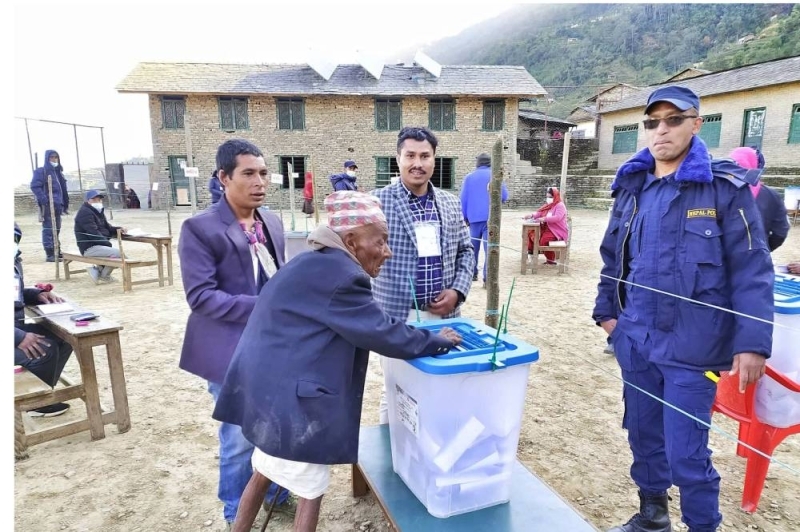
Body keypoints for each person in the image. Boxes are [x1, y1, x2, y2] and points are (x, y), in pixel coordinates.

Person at [212, 191, 462, 532]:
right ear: (352, 241)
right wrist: (436, 341)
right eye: (382, 241)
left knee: (263, 470)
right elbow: (382, 333)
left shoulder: (311, 260)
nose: (387, 252)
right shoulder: (343, 276)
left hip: (268, 392)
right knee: (310, 490)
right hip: (295, 406)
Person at [593, 86, 774, 532]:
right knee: (643, 436)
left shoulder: (724, 190)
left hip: (694, 349)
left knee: (687, 454)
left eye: (674, 119)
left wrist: (753, 342)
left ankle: (701, 526)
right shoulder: (633, 187)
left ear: (697, 123)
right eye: (652, 122)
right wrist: (609, 318)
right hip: (636, 341)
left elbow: (753, 268)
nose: (662, 130)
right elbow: (614, 257)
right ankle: (653, 515)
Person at [178, 139, 291, 527]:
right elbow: (201, 297)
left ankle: (276, 491)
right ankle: (234, 511)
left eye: (263, 173)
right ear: (223, 177)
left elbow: (279, 277)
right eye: (248, 174)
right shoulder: (200, 228)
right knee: (238, 437)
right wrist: (263, 305)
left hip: (275, 345)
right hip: (230, 351)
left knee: (276, 423)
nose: (259, 182)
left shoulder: (271, 221)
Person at [372, 126, 474, 423]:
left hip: (444, 316)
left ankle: (430, 450)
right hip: (396, 316)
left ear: (434, 159)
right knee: (396, 388)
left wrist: (457, 292)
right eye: (410, 155)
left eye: (425, 156)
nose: (418, 163)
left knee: (440, 384)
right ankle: (391, 454)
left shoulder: (450, 202)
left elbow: (466, 251)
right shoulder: (377, 202)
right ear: (398, 158)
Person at [14, 223, 74, 417]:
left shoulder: (13, 261)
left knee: (65, 338)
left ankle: (42, 391)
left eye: (14, 239)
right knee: (44, 348)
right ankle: (34, 404)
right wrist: (18, 337)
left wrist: (36, 294)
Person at [460, 152, 509, 283]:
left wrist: (465, 217)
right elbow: (504, 196)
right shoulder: (495, 177)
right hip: (492, 220)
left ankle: (472, 273)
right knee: (490, 249)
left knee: (472, 248)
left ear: (478, 163)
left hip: (473, 220)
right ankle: (488, 278)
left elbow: (463, 200)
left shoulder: (469, 178)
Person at [728, 146, 789, 252]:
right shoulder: (771, 196)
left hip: (723, 260)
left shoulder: (717, 192)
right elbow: (780, 232)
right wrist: (763, 249)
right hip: (756, 260)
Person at [74, 190, 127, 284]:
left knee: (117, 255)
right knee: (120, 255)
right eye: (94, 200)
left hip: (98, 245)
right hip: (89, 247)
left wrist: (118, 229)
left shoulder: (97, 211)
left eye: (98, 199)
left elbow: (107, 227)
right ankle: (104, 275)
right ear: (87, 201)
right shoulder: (85, 213)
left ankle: (98, 271)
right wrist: (107, 243)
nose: (97, 202)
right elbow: (93, 232)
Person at [30, 149, 69, 262]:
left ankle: (57, 250)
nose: (54, 159)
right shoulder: (41, 171)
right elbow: (35, 186)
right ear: (47, 158)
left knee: (57, 229)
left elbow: (63, 190)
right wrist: (45, 200)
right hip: (48, 206)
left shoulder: (58, 172)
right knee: (48, 229)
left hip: (58, 205)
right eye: (51, 157)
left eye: (56, 157)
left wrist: (65, 204)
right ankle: (50, 253)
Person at [523, 186, 568, 266]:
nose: (548, 199)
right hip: (546, 229)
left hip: (556, 231)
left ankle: (551, 260)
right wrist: (531, 215)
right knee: (533, 236)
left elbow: (557, 218)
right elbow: (539, 213)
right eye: (547, 197)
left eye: (550, 197)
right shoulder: (548, 205)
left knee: (544, 241)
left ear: (555, 196)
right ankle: (532, 254)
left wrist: (544, 219)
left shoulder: (560, 205)